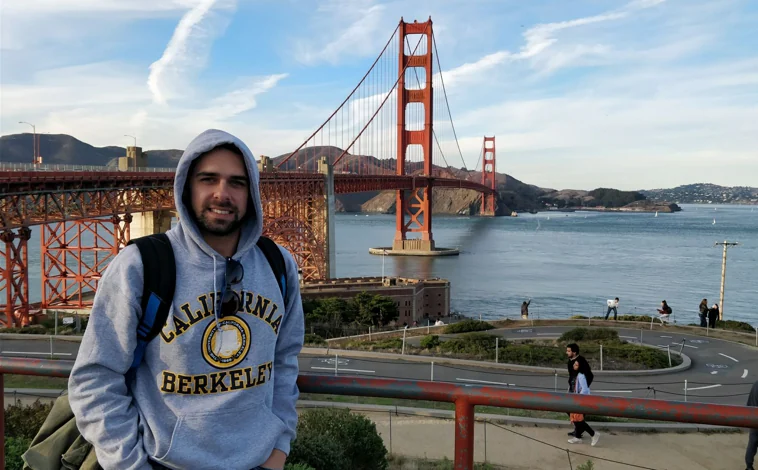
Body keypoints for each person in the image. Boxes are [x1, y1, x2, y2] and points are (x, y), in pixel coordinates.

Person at [68, 130, 305, 470]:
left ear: (251, 194)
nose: (222, 194)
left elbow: (285, 361)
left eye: (237, 183)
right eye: (208, 179)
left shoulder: (279, 265)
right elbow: (94, 380)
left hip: (259, 462)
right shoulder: (140, 266)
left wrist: (278, 448)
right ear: (186, 187)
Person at [568, 359, 600, 446]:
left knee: (579, 420)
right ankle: (578, 437)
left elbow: (585, 390)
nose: (574, 365)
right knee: (576, 419)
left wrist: (577, 399)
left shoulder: (581, 375)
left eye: (576, 365)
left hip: (581, 401)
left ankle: (593, 434)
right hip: (578, 400)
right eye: (574, 364)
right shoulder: (577, 374)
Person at [566, 343, 594, 437]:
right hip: (573, 389)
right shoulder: (570, 361)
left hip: (580, 392)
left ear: (574, 352)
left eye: (569, 351)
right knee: (568, 409)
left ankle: (580, 433)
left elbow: (589, 375)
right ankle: (578, 431)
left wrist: (582, 389)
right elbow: (571, 376)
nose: (567, 352)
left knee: (578, 414)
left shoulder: (581, 361)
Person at [745, 380, 758, 470]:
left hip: (752, 416)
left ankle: (749, 466)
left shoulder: (755, 384)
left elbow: (748, 402)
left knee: (752, 443)